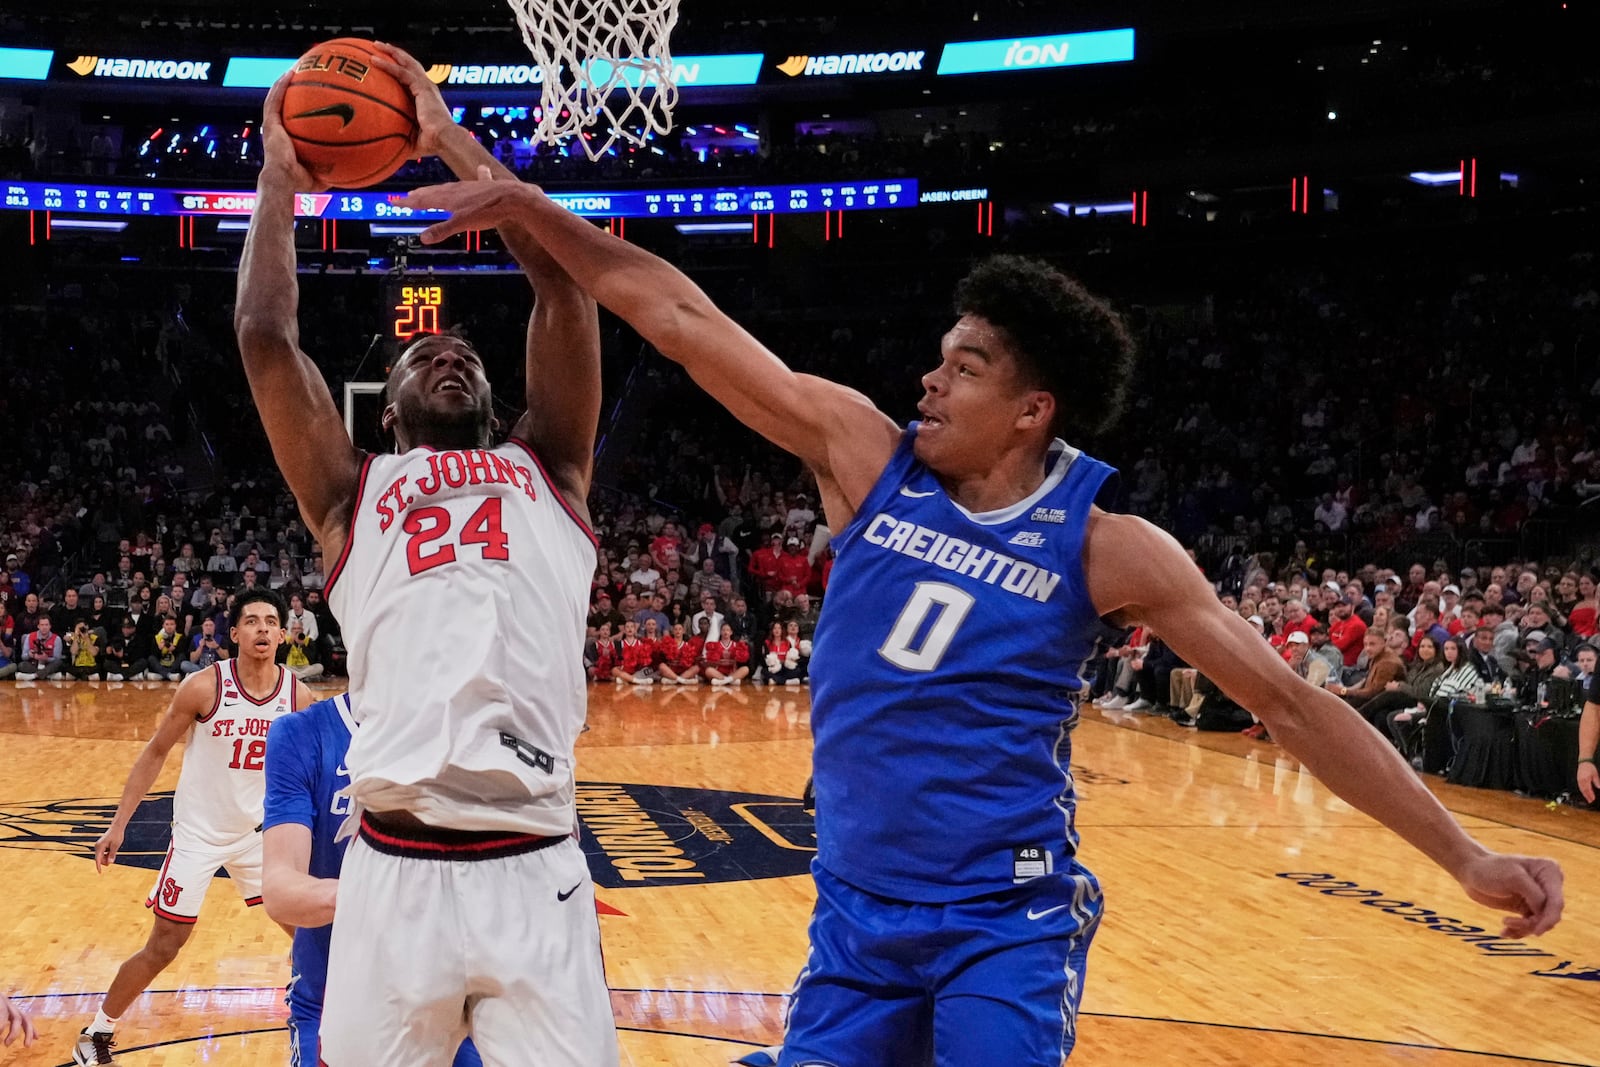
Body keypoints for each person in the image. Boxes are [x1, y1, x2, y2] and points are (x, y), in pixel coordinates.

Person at [404, 168, 1565, 1066]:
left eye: (963, 368)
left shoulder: (1109, 543)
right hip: (857, 916)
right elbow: (671, 309)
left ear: (1030, 409)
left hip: (1005, 918)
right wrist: (509, 193)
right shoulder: (865, 458)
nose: (929, 381)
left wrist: (1462, 852)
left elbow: (1293, 703)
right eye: (938, 358)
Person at [236, 54, 614, 1065]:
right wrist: (280, 181)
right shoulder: (348, 495)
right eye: (422, 357)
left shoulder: (549, 468)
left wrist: (448, 143)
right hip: (389, 870)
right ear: (388, 404)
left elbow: (567, 293)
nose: (449, 354)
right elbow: (266, 337)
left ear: (492, 398)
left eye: (467, 357)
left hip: (538, 862)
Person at [72, 590, 308, 1065]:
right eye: (252, 621)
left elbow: (316, 766)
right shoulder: (204, 687)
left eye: (270, 621)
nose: (262, 628)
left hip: (257, 834)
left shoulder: (297, 695)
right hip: (198, 834)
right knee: (164, 946)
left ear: (283, 634)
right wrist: (118, 825)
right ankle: (95, 1033)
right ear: (234, 633)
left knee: (309, 931)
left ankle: (314, 1017)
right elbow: (156, 751)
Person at [261, 691, 480, 1067]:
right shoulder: (302, 734)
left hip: (447, 998)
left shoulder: (468, 733)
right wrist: (389, 896)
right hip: (332, 995)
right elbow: (281, 889)